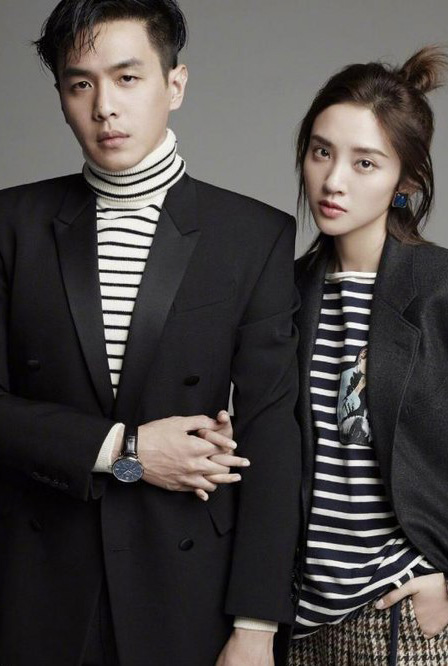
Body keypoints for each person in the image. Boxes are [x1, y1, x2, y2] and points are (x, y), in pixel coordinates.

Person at [0, 1, 301, 664]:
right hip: (38, 584)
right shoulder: (11, 225)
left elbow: (273, 438)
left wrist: (257, 624)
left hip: (188, 587)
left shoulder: (253, 236)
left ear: (176, 83)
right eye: (80, 84)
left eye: (128, 77)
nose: (105, 107)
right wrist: (126, 449)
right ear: (61, 98)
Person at [286, 46, 448, 665]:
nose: (333, 180)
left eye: (365, 162)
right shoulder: (283, 293)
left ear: (407, 181)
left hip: (403, 619)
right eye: (321, 152)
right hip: (298, 620)